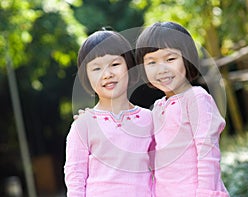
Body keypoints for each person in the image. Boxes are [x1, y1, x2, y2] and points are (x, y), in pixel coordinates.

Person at [135, 21, 229, 196]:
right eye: (151, 62)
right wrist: (92, 120)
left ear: (187, 59)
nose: (161, 69)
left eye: (170, 59)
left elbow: (207, 151)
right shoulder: (157, 108)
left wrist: (206, 193)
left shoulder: (196, 99)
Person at [64, 30, 154, 197]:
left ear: (129, 66)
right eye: (96, 68)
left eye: (115, 64)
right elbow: (75, 177)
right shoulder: (83, 125)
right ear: (86, 77)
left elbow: (161, 170)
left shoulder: (149, 119)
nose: (107, 74)